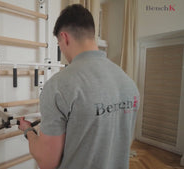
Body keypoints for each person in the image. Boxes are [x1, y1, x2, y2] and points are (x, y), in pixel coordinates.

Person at [18, 4, 140, 169]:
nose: (62, 49)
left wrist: (28, 131)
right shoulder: (128, 82)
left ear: (65, 38)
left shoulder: (57, 86)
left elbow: (47, 162)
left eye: (59, 44)